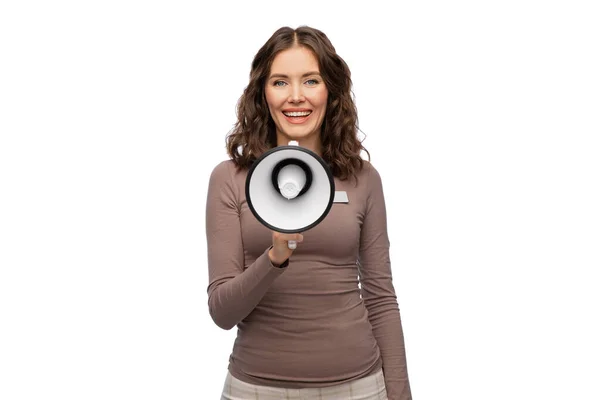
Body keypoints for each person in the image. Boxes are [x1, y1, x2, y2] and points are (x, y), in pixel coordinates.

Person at [206, 25, 412, 400]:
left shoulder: (363, 179)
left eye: (311, 81)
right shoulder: (230, 179)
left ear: (330, 91)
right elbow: (222, 313)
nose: (296, 97)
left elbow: (381, 297)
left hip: (359, 388)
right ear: (262, 93)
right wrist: (274, 258)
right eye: (280, 82)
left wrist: (400, 394)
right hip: (255, 388)